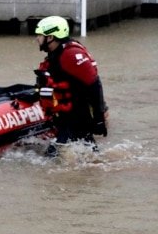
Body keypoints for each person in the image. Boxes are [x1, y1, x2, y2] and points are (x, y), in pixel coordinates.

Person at [32, 16, 108, 155]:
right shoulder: (56, 53)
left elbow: (94, 85)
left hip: (76, 119)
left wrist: (99, 119)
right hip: (65, 118)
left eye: (39, 35)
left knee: (55, 160)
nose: (37, 39)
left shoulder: (70, 55)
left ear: (50, 37)